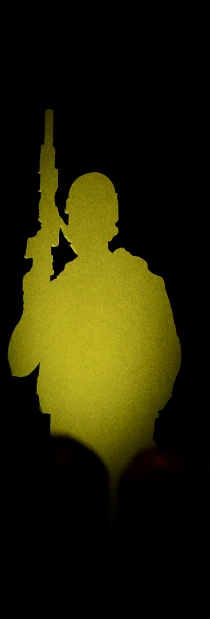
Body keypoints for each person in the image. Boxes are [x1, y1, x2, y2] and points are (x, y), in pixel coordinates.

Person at [8, 170, 182, 506]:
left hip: (124, 444)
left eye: (82, 216)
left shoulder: (139, 283)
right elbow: (19, 361)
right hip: (72, 447)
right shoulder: (60, 287)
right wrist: (35, 292)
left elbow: (166, 361)